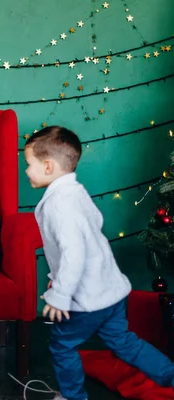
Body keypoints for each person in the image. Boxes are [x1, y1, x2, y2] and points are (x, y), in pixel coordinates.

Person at [24, 126, 174, 400]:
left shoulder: (59, 204)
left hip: (87, 299)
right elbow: (93, 230)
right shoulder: (76, 192)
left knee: (61, 345)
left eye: (29, 164)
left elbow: (75, 252)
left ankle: (72, 396)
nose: (26, 171)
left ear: (48, 166)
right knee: (124, 342)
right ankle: (170, 375)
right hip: (111, 293)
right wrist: (59, 276)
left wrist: (60, 295)